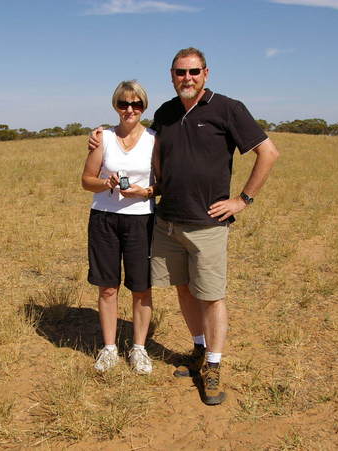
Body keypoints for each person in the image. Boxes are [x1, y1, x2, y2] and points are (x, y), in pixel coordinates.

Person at [89, 48, 279, 405]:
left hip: (208, 223)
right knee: (184, 291)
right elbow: (137, 138)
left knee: (211, 296)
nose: (186, 78)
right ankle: (197, 350)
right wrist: (100, 136)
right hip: (168, 221)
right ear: (172, 75)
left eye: (193, 72)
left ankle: (213, 365)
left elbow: (268, 153)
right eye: (180, 72)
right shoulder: (166, 112)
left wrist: (243, 200)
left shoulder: (228, 109)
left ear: (206, 73)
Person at [81, 80, 157, 375]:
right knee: (108, 287)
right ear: (116, 105)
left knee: (142, 288)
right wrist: (106, 183)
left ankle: (139, 349)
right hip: (104, 218)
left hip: (142, 219)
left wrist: (145, 192)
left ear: (144, 106)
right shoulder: (103, 138)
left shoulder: (154, 138)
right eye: (124, 103)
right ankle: (109, 348)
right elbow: (86, 180)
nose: (130, 109)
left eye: (136, 104)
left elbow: (162, 182)